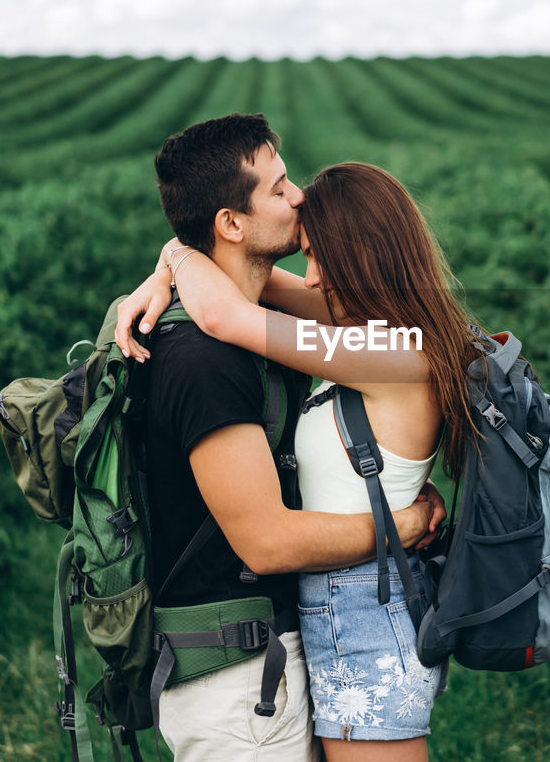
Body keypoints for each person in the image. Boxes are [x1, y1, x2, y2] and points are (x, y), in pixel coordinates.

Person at [117, 153, 484, 761]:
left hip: (368, 606)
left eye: (320, 257)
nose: (309, 277)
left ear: (363, 259)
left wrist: (177, 258)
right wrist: (170, 264)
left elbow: (226, 312)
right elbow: (236, 281)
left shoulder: (390, 351)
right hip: (344, 603)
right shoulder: (365, 329)